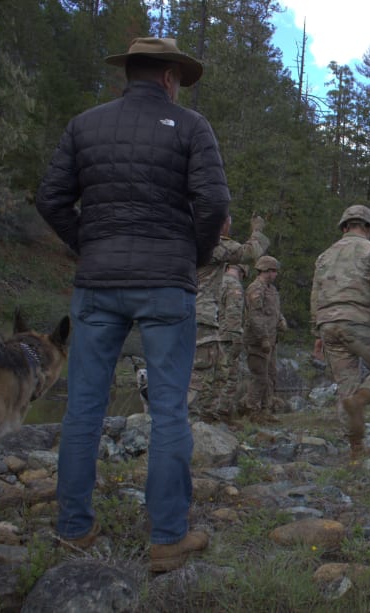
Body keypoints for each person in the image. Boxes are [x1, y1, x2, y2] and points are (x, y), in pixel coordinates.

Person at [34, 36, 228, 571]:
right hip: (166, 283)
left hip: (97, 283)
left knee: (83, 409)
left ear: (132, 73)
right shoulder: (190, 127)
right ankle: (166, 537)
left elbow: (50, 198)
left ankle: (75, 529)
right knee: (168, 409)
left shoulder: (85, 124)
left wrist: (88, 244)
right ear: (169, 77)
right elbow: (214, 202)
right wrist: (192, 254)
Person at [311, 204, 370, 459]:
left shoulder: (324, 256)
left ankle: (356, 448)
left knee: (346, 388)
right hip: (359, 322)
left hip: (328, 325)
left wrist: (317, 334)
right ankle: (361, 401)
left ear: (344, 226)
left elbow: (315, 295)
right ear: (368, 227)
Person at [190, 214, 268, 419]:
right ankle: (190, 421)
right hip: (200, 315)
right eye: (227, 224)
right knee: (201, 371)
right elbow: (250, 252)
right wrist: (257, 230)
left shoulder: (183, 239)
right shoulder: (210, 242)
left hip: (177, 312)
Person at [242, 255, 287, 416]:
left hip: (272, 339)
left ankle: (266, 409)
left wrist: (281, 320)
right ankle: (252, 409)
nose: (276, 274)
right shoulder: (256, 288)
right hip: (258, 341)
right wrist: (263, 338)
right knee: (260, 376)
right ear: (266, 271)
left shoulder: (271, 290)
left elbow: (274, 310)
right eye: (274, 271)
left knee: (271, 376)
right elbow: (255, 316)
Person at [217, 263, 248, 415]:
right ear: (242, 272)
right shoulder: (234, 285)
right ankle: (222, 413)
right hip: (228, 336)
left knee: (214, 375)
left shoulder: (216, 281)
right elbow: (234, 313)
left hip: (212, 334)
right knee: (230, 376)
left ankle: (209, 410)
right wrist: (236, 337)